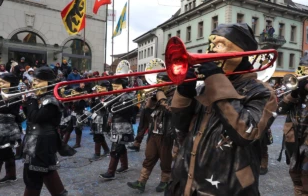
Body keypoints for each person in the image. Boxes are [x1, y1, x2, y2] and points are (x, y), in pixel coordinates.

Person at [165, 23, 278, 195]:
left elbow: (246, 133)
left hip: (228, 187)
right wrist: (184, 93)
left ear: (241, 52)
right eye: (210, 45)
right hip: (185, 184)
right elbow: (180, 129)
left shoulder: (262, 92)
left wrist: (216, 80)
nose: (211, 51)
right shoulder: (204, 88)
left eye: (219, 45)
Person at [22, 66, 69, 196]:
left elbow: (36, 118)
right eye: (34, 80)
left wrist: (30, 99)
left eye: (37, 81)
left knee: (34, 174)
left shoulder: (50, 100)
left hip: (42, 141)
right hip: (35, 140)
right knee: (46, 171)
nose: (33, 83)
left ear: (48, 83)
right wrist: (27, 103)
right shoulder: (40, 98)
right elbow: (29, 117)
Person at [127, 72, 176, 193]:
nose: (159, 85)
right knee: (149, 157)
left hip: (167, 135)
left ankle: (165, 181)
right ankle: (141, 182)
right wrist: (151, 101)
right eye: (157, 82)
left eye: (161, 82)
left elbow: (172, 112)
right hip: (154, 133)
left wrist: (161, 98)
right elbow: (147, 113)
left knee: (165, 160)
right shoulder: (157, 97)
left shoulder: (175, 95)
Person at [0, 73, 22, 191]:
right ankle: (11, 175)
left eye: (3, 82)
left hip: (7, 127)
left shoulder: (16, 96)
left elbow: (10, 111)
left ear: (11, 83)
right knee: (7, 152)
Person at [277, 71, 308, 195]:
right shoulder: (297, 97)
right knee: (295, 173)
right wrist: (295, 93)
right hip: (295, 142)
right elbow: (279, 109)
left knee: (306, 176)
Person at [99, 77, 135, 180]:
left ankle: (111, 172)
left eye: (117, 87)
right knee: (121, 146)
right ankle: (124, 166)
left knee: (115, 149)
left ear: (123, 86)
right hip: (115, 125)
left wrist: (111, 105)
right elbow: (110, 111)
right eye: (113, 87)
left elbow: (127, 111)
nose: (115, 89)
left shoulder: (128, 97)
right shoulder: (114, 96)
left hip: (123, 126)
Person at [90, 81, 112, 161]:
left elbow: (102, 108)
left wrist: (97, 98)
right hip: (96, 116)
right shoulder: (100, 96)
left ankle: (97, 154)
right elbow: (93, 106)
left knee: (98, 136)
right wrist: (93, 97)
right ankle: (106, 150)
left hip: (102, 118)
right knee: (98, 135)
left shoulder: (109, 96)